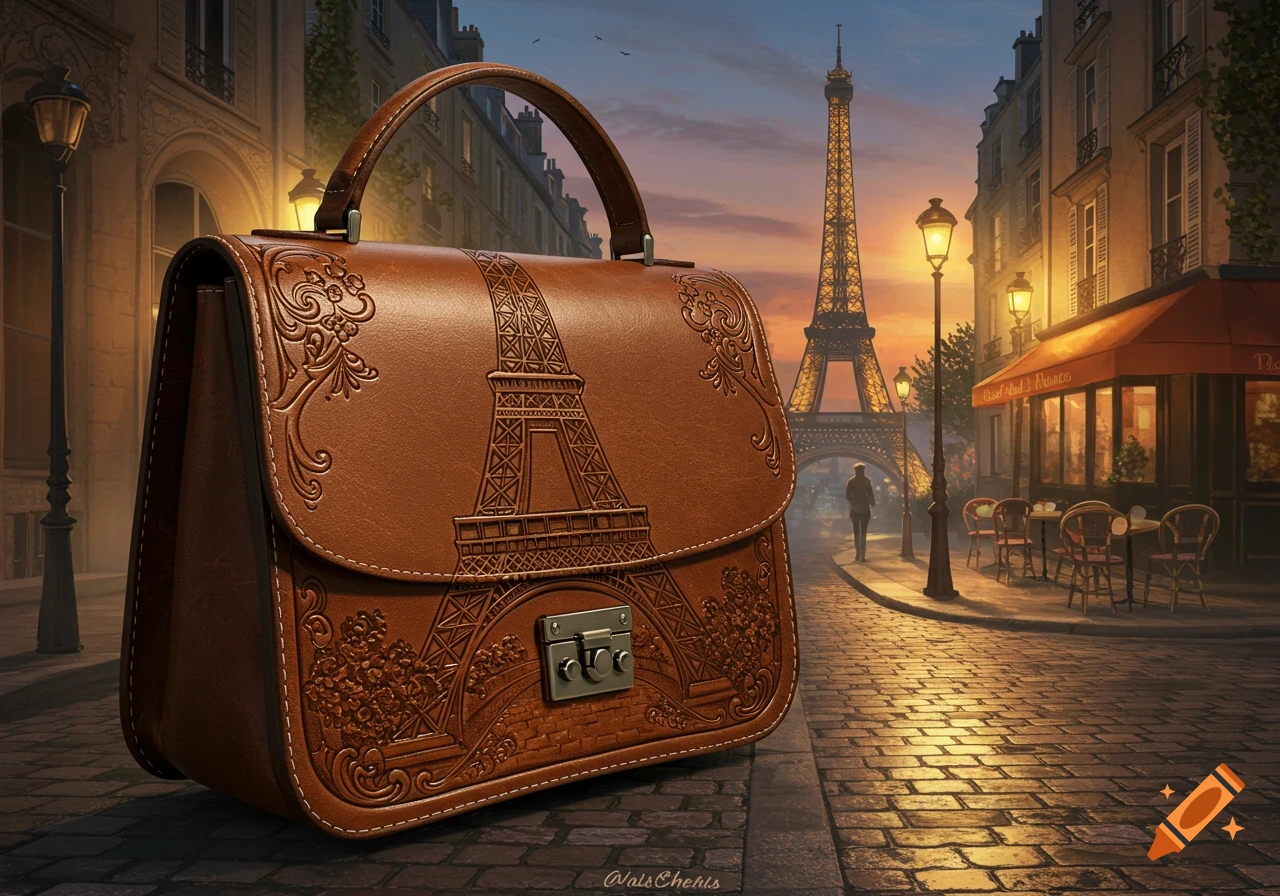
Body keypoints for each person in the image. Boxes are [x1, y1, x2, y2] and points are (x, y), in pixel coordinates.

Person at [845, 464, 875, 562]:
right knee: (864, 532)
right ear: (864, 471)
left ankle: (857, 552)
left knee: (856, 532)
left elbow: (847, 496)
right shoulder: (867, 481)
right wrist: (871, 503)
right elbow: (871, 496)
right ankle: (863, 554)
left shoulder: (851, 482)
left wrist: (854, 499)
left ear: (855, 471)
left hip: (854, 509)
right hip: (865, 509)